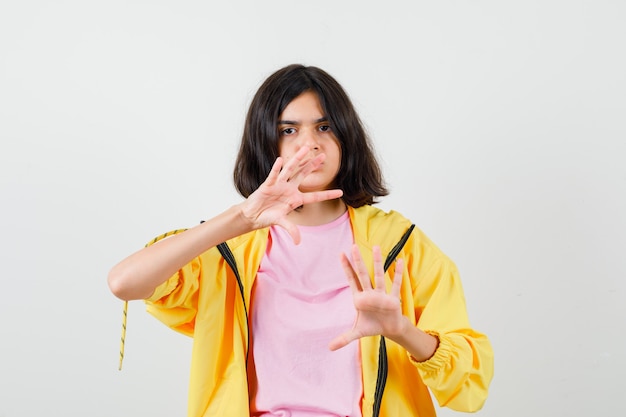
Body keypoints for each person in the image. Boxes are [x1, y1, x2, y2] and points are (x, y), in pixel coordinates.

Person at [108, 64, 494, 417]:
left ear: (346, 138)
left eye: (324, 127)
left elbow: (469, 388)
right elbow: (125, 283)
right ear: (265, 142)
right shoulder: (230, 250)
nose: (309, 145)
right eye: (287, 130)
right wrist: (241, 218)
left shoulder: (400, 244)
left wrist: (402, 331)